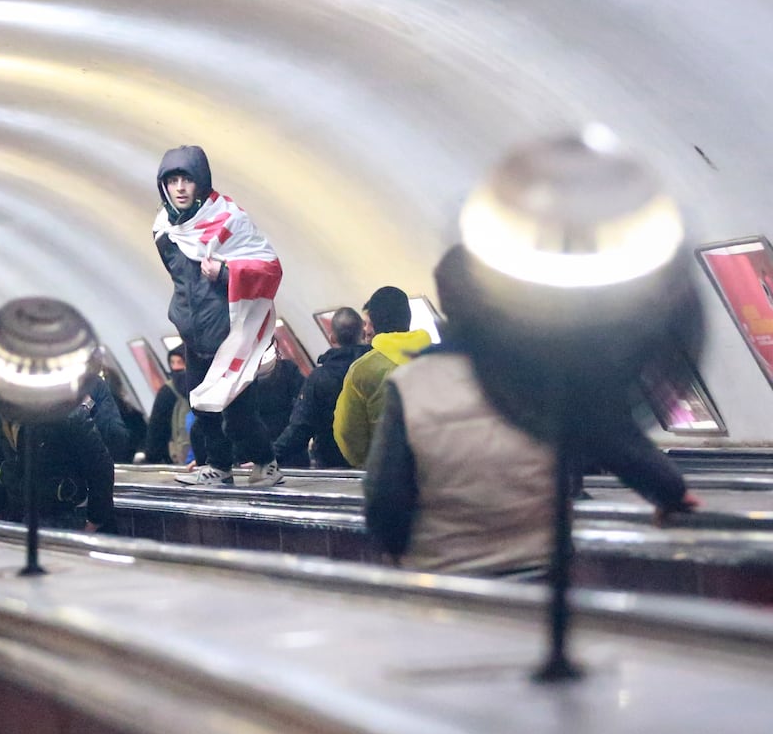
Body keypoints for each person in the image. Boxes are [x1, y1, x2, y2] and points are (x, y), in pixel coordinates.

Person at [363, 247, 698, 576]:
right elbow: (620, 444)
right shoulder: (548, 373)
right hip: (540, 571)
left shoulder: (410, 384)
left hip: (445, 583)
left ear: (446, 302)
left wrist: (397, 553)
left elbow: (384, 499)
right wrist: (669, 493)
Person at [153, 145, 284, 486]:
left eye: (187, 179)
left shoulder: (229, 220)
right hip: (194, 335)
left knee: (239, 414)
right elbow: (180, 279)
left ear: (202, 182)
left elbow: (269, 267)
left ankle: (267, 463)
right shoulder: (164, 229)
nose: (180, 187)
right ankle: (218, 467)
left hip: (231, 334)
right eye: (173, 180)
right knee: (202, 407)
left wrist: (225, 274)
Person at [333, 286, 431, 468]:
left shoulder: (362, 370)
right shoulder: (440, 360)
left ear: (374, 323)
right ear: (408, 318)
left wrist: (368, 464)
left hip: (388, 473)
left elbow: (347, 431)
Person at [0, 406, 115, 532]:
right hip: (16, 513)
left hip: (64, 516)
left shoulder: (68, 413)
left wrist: (94, 521)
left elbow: (100, 468)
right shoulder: (0, 415)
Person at [273, 307, 371, 468]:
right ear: (362, 333)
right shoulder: (376, 368)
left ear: (332, 337)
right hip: (373, 464)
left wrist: (267, 458)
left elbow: (301, 428)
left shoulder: (319, 378)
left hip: (332, 465)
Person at [144, 345, 196, 466]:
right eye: (172, 362)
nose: (176, 367)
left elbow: (156, 428)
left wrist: (152, 458)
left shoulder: (168, 390)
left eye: (180, 362)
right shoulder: (208, 387)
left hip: (178, 458)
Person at [251, 344, 304, 444]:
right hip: (289, 435)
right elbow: (304, 399)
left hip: (259, 440)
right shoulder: (287, 369)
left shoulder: (241, 383)